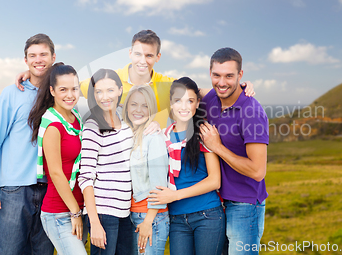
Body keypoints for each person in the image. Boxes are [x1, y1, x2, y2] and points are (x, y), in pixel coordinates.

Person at [15, 30, 255, 127]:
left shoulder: (167, 84)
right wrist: (36, 74)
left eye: (149, 55)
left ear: (157, 57)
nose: (143, 60)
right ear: (130, 53)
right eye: (138, 53)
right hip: (117, 168)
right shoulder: (108, 81)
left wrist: (239, 89)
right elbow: (66, 84)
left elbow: (200, 91)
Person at [0, 33, 55, 255]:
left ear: (53, 57)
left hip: (50, 191)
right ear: (26, 60)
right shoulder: (11, 92)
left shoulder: (59, 93)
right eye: (32, 56)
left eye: (43, 54)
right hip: (14, 190)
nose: (38, 59)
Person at [200, 48, 269, 255]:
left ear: (240, 75)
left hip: (244, 205)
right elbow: (185, 91)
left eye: (229, 76)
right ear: (210, 73)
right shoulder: (211, 98)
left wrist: (217, 147)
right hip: (214, 202)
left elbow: (258, 171)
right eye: (217, 75)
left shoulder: (252, 112)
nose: (222, 83)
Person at [148, 77, 226, 255]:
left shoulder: (205, 132)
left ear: (197, 103)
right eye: (178, 101)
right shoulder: (162, 136)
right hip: (177, 219)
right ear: (171, 103)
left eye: (190, 101)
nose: (183, 107)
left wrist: (175, 195)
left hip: (207, 215)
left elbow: (215, 181)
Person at [28, 63, 86, 255]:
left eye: (74, 89)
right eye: (63, 89)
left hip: (79, 209)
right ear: (52, 90)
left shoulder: (75, 117)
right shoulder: (53, 125)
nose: (70, 95)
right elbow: (55, 173)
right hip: (60, 213)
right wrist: (75, 212)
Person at [78, 69, 135, 255]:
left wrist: (153, 124)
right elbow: (85, 177)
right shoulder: (92, 127)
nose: (104, 97)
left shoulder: (126, 116)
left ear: (120, 90)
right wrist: (94, 222)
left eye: (110, 90)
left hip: (125, 211)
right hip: (103, 211)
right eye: (98, 92)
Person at [122, 85, 169, 255]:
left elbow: (159, 185)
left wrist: (149, 221)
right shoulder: (129, 135)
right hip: (133, 214)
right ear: (126, 106)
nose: (139, 110)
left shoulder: (153, 138)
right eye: (134, 104)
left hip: (150, 217)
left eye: (145, 106)